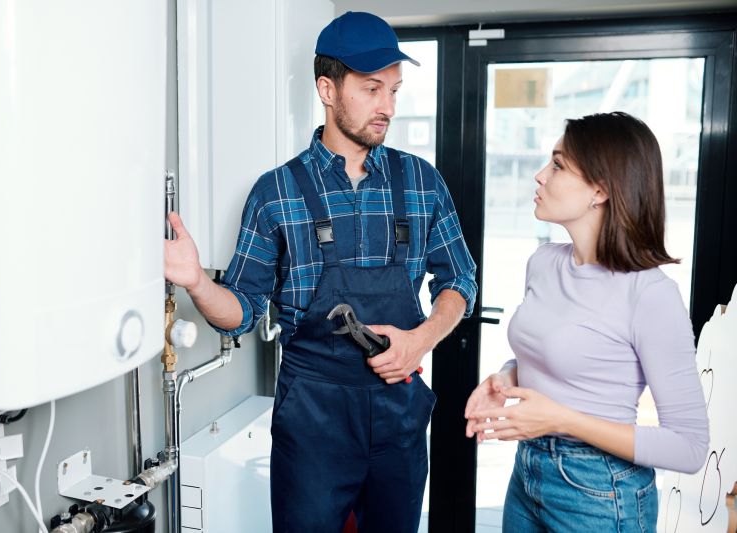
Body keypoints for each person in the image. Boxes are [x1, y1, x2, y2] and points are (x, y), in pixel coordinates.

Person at [164, 11, 478, 533]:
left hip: (398, 416)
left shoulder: (421, 181)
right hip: (312, 425)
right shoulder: (276, 192)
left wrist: (421, 340)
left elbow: (459, 280)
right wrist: (198, 282)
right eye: (372, 89)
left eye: (395, 91)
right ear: (327, 89)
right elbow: (240, 312)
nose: (387, 107)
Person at [464, 111, 709, 532]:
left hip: (602, 490)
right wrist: (504, 380)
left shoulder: (650, 294)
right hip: (529, 471)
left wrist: (561, 419)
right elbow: (558, 362)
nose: (540, 176)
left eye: (558, 165)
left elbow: (689, 448)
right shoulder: (543, 263)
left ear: (600, 190)